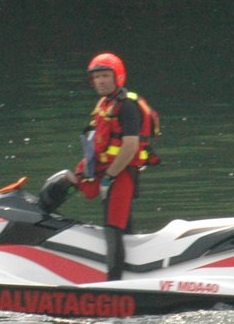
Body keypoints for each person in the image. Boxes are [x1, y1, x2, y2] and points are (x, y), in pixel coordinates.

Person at [38, 52, 159, 280]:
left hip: (121, 175)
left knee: (113, 228)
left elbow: (130, 147)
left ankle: (115, 284)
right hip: (104, 173)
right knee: (62, 184)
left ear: (117, 77)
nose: (100, 81)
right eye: (96, 77)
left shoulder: (127, 106)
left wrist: (109, 177)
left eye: (105, 76)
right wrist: (86, 173)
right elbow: (96, 144)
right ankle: (36, 232)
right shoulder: (105, 105)